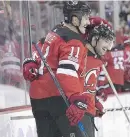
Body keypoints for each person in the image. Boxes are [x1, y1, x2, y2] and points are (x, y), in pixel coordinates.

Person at [23, 1, 91, 137]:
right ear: (75, 19)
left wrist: (30, 62)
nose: (88, 22)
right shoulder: (73, 40)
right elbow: (67, 72)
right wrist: (76, 98)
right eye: (86, 17)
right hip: (58, 97)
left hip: (38, 98)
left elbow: (39, 50)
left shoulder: (54, 32)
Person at [82, 16, 115, 134]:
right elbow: (75, 88)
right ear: (95, 39)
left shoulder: (96, 60)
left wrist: (94, 103)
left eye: (109, 43)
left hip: (87, 112)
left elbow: (87, 88)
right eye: (106, 41)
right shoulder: (81, 55)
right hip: (78, 113)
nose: (108, 47)